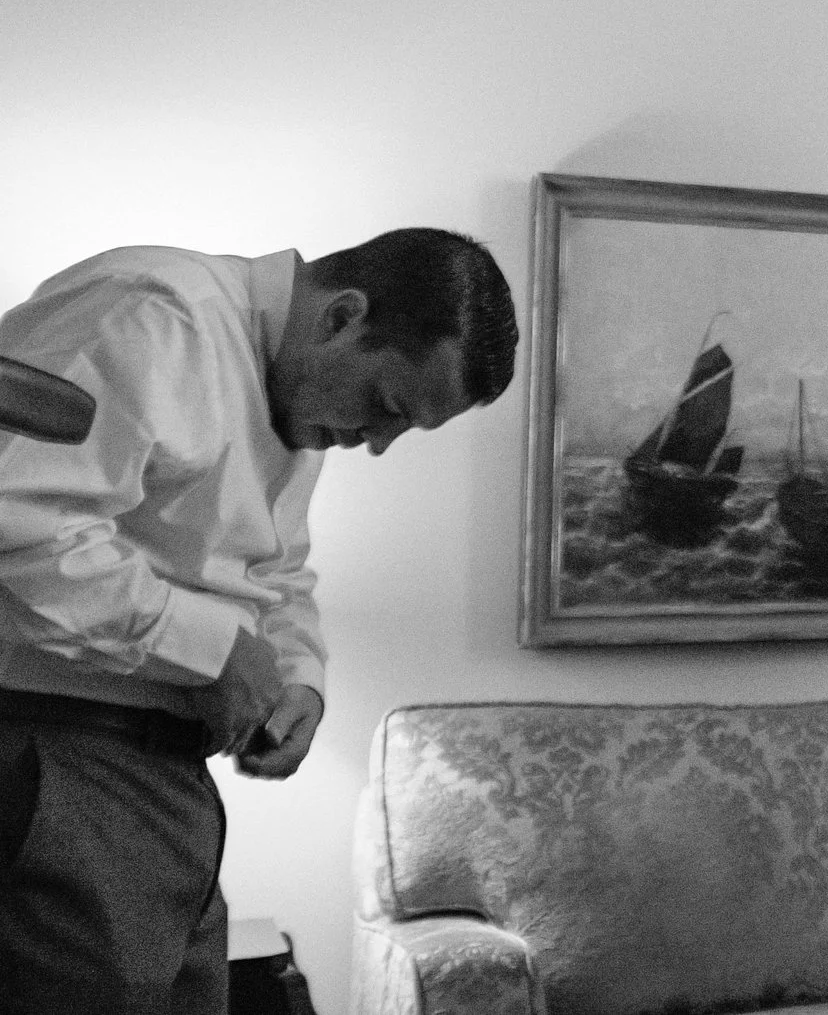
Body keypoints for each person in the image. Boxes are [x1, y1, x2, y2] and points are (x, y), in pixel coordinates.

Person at [0, 227, 518, 1012]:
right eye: (385, 406)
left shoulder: (293, 393)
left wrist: (299, 680)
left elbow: (275, 571)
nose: (375, 443)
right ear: (342, 314)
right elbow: (22, 527)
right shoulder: (153, 316)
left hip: (160, 786)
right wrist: (215, 651)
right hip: (60, 756)